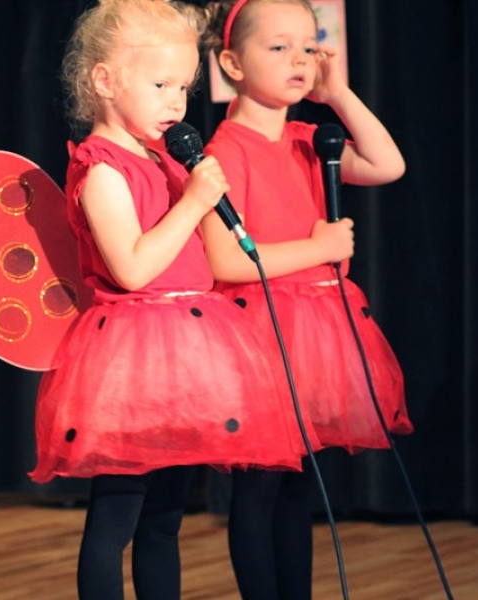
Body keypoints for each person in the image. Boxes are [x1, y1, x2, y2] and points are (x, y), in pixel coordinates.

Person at [28, 1, 313, 599]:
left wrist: (201, 197)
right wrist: (193, 203)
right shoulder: (102, 169)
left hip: (186, 352)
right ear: (105, 81)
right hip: (132, 357)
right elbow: (133, 268)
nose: (176, 103)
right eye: (160, 85)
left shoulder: (163, 158)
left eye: (183, 87)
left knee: (164, 520)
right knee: (117, 518)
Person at [200, 1, 415, 599]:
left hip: (315, 331)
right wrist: (318, 247)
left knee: (299, 484)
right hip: (258, 333)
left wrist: (338, 95)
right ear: (232, 63)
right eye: (278, 47)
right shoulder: (226, 151)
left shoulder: (309, 140)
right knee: (260, 486)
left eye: (308, 46)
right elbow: (227, 261)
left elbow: (389, 165)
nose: (299, 59)